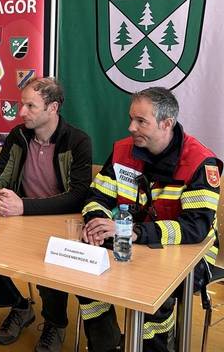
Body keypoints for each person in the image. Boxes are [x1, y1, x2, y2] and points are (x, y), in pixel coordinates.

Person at [80, 87, 221, 352]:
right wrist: (97, 223)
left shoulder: (200, 162)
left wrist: (134, 231)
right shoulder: (123, 151)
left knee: (152, 294)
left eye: (141, 121)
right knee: (85, 275)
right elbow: (96, 197)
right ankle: (106, 345)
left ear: (167, 123)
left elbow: (196, 228)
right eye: (131, 118)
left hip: (188, 255)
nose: (131, 127)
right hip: (130, 243)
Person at [0, 77, 92, 351]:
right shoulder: (18, 136)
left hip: (58, 222)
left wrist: (24, 207)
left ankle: (55, 323)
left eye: (30, 106)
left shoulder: (78, 141)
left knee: (48, 264)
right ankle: (18, 306)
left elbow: (78, 197)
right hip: (19, 219)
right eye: (22, 105)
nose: (21, 112)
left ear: (52, 108)